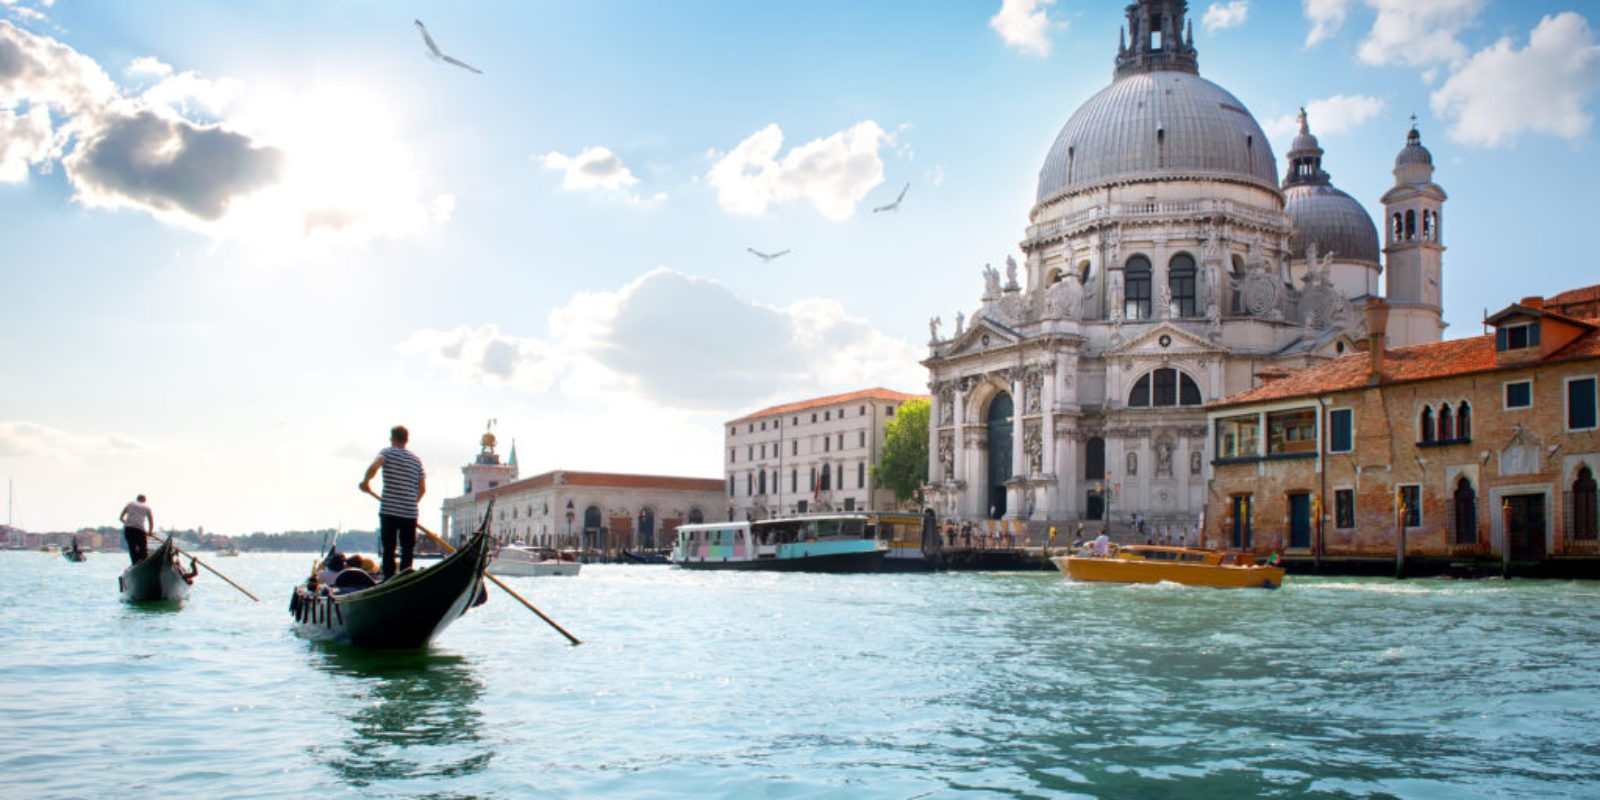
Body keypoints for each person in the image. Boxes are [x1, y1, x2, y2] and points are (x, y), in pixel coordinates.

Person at [360, 425, 426, 580]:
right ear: (406, 440)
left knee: (389, 548)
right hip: (410, 512)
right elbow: (422, 489)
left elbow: (373, 467)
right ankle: (405, 578)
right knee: (407, 549)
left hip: (389, 510)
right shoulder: (416, 460)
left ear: (392, 438)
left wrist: (365, 482)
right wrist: (411, 502)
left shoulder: (387, 452)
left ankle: (389, 579)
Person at [119, 494, 154, 565]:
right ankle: (143, 562)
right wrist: (150, 532)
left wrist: (127, 523)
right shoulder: (147, 507)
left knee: (132, 548)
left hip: (129, 529)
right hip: (140, 529)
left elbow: (121, 517)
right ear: (144, 500)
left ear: (137, 499)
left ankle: (135, 564)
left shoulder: (130, 503)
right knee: (143, 548)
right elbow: (150, 521)